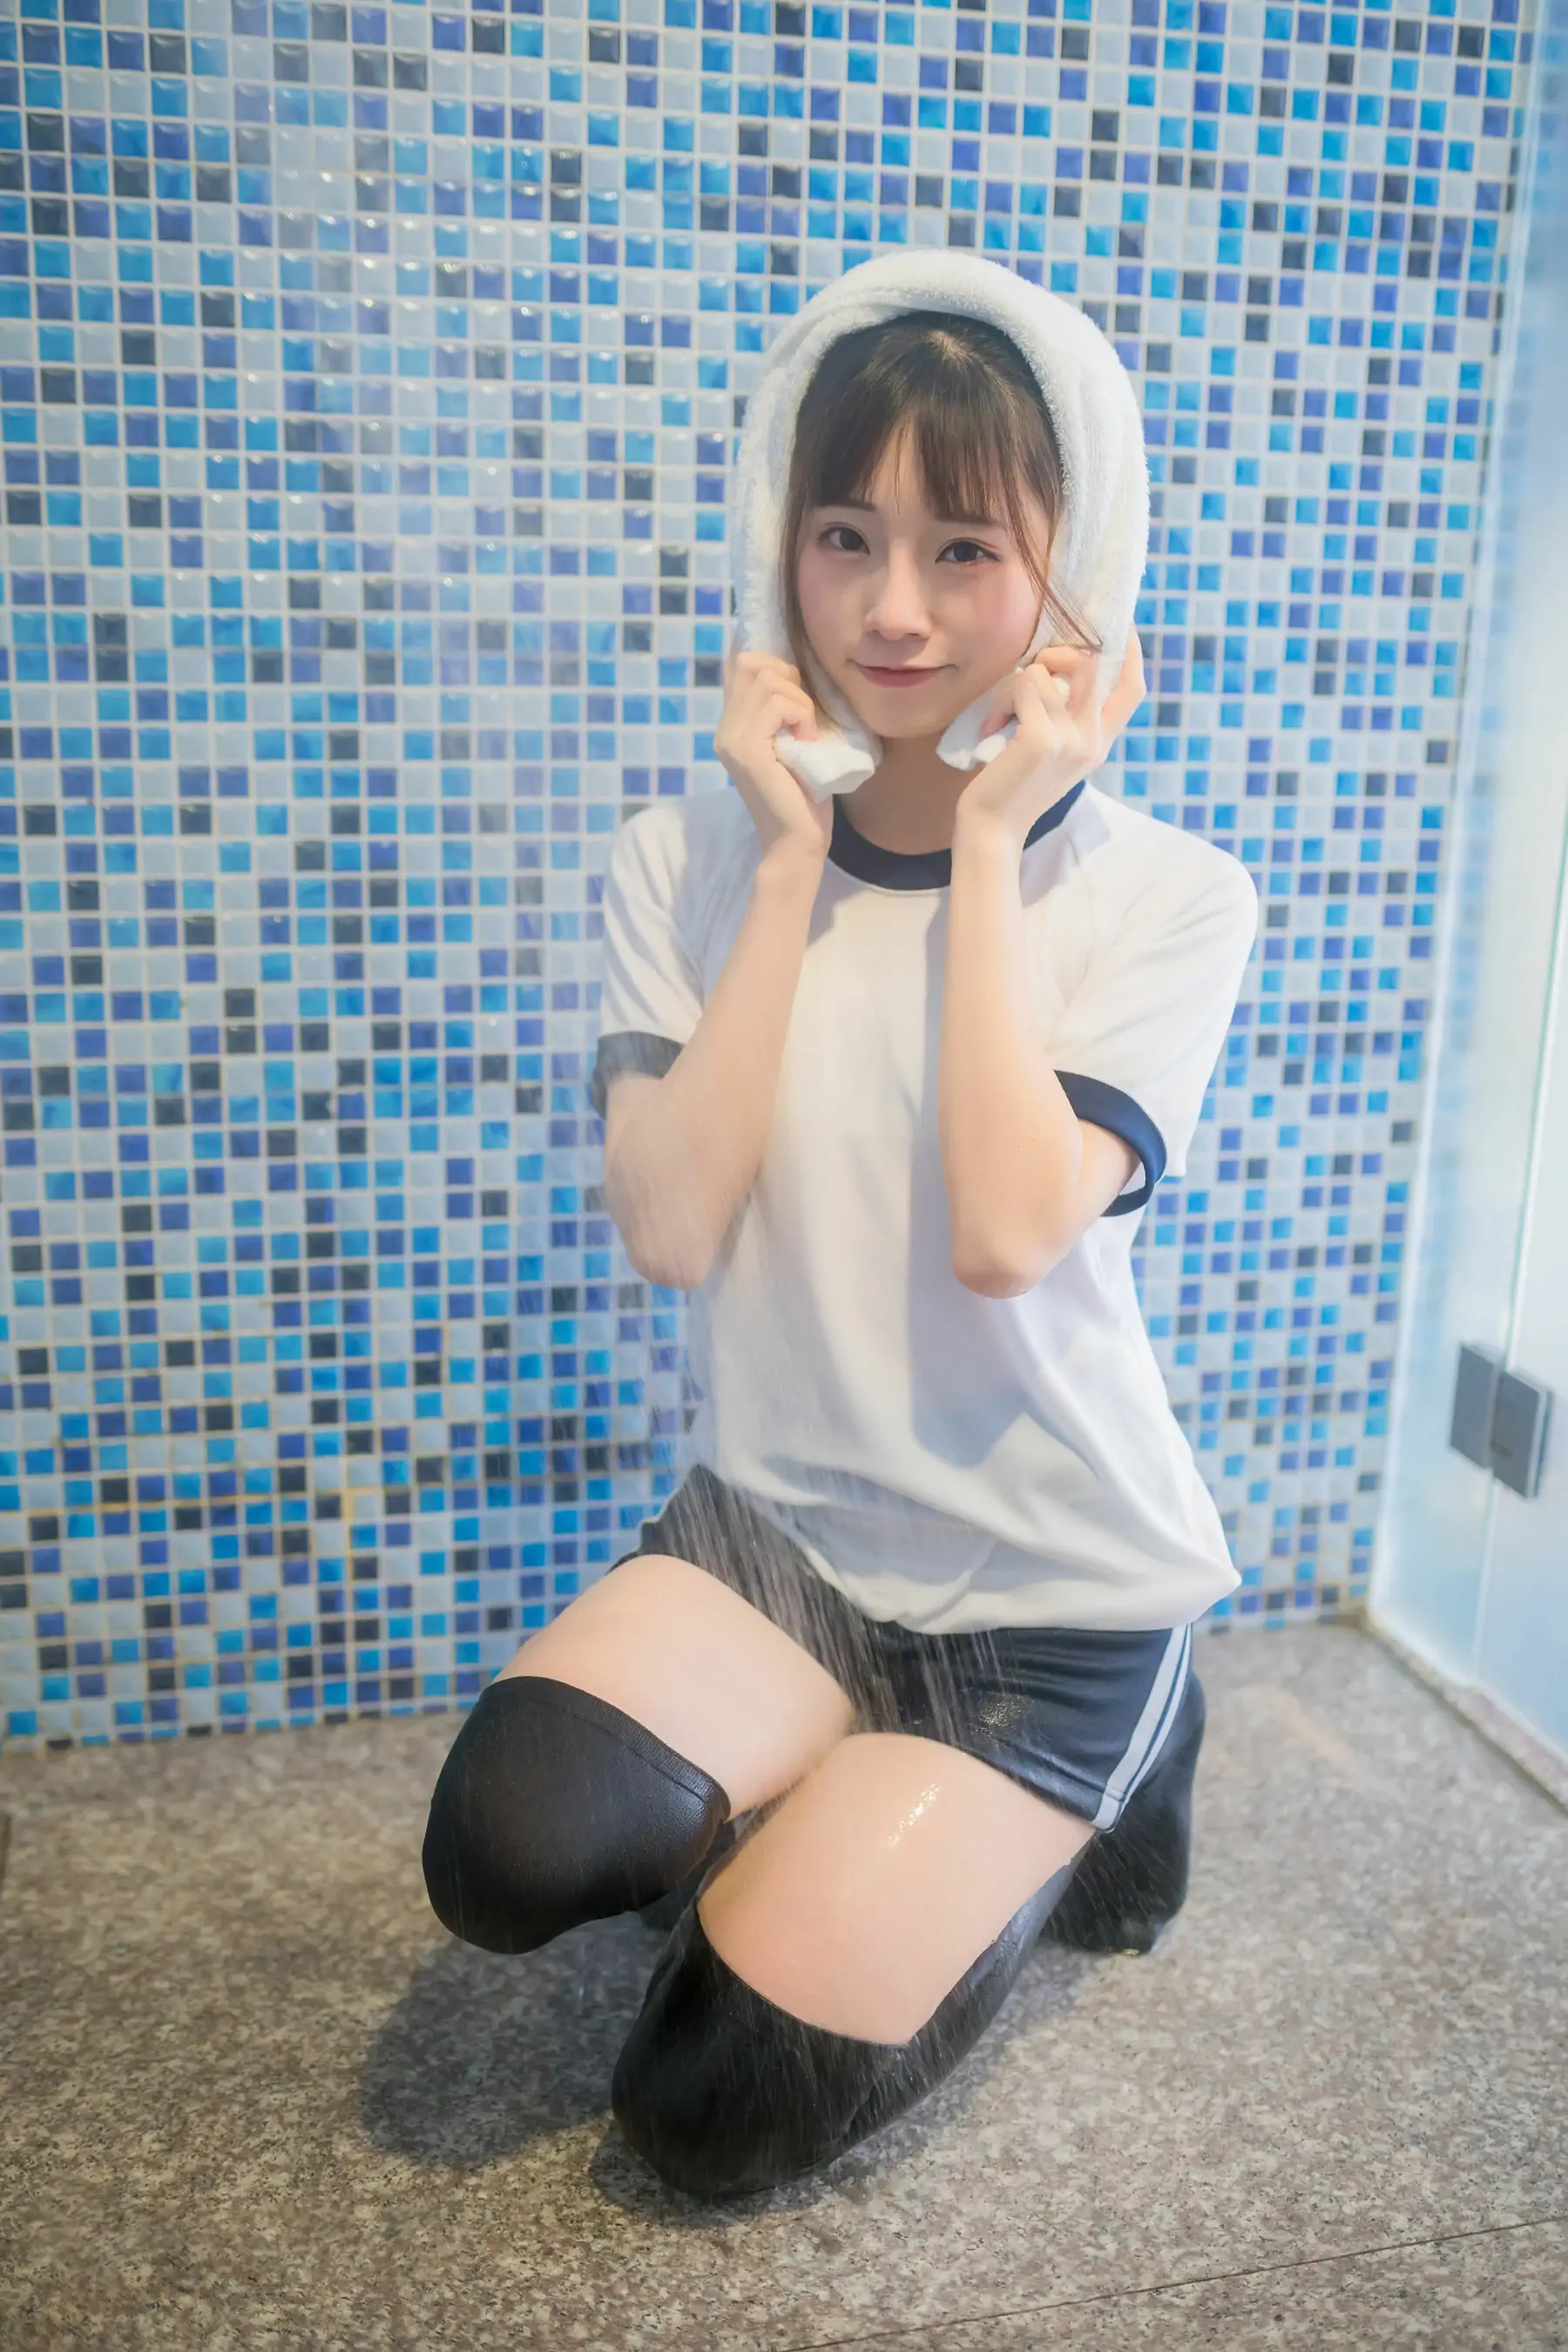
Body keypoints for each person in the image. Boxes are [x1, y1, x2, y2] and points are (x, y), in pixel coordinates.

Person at [420, 258, 1259, 2203]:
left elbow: (1007, 1233)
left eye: (966, 549)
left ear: (1069, 583)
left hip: (1047, 1601)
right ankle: (833, 1775)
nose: (893, 609)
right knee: (508, 1853)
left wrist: (986, 842)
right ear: (776, 548)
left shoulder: (1166, 898)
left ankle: (1129, 1742)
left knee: (703, 2117)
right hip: (782, 1538)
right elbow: (672, 1224)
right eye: (844, 537)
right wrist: (793, 859)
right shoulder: (687, 858)